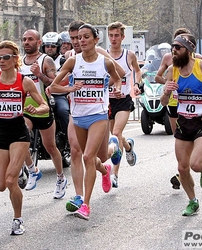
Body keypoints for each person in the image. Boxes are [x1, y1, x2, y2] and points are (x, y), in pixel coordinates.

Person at [0, 40, 49, 235]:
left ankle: (18, 219)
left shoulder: (24, 81)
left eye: (6, 57)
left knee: (9, 181)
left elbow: (44, 106)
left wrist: (35, 108)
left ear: (15, 59)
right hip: (0, 130)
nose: (1, 61)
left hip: (18, 131)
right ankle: (27, 170)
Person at [50, 23, 122, 220]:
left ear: (95, 40)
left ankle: (86, 205)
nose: (81, 40)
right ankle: (109, 160)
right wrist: (69, 89)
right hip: (78, 116)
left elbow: (118, 79)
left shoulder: (105, 63)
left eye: (85, 37)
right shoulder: (73, 62)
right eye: (79, 37)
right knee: (97, 157)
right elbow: (54, 86)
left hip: (98, 114)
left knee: (88, 157)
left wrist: (116, 88)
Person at [160, 33, 202, 216]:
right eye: (173, 47)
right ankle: (192, 201)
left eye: (178, 47)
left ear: (189, 50)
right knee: (182, 168)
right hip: (183, 122)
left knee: (195, 165)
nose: (174, 51)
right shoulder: (173, 70)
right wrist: (166, 92)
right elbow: (163, 102)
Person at [20, 29, 67, 199]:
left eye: (30, 39)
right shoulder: (18, 62)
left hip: (43, 108)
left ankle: (61, 178)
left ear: (39, 43)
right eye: (24, 39)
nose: (26, 42)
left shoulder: (45, 60)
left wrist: (39, 75)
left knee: (51, 147)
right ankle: (32, 170)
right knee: (21, 137)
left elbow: (55, 83)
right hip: (25, 109)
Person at [155, 28, 202, 190]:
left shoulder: (198, 60)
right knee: (180, 139)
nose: (175, 48)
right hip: (174, 103)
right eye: (174, 44)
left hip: (193, 106)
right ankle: (182, 171)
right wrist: (169, 85)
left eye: (180, 44)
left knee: (190, 141)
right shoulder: (168, 58)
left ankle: (186, 170)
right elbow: (158, 76)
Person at [106, 21, 141, 188]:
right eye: (111, 35)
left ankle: (115, 174)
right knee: (114, 136)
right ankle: (128, 146)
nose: (114, 39)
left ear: (122, 37)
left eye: (117, 36)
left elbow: (137, 70)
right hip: (107, 101)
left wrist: (136, 84)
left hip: (124, 100)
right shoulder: (104, 55)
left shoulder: (129, 55)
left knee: (116, 132)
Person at [40, 32, 69, 137]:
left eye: (53, 46)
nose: (50, 49)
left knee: (63, 110)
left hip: (58, 94)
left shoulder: (64, 61)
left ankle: (68, 138)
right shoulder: (38, 59)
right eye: (47, 46)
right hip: (41, 95)